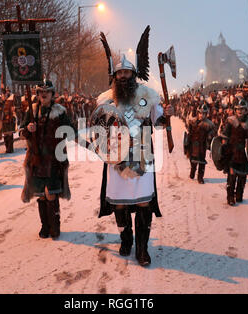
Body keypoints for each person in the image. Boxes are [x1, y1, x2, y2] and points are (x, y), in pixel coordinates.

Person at [97, 27, 174, 266]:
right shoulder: (105, 100)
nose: (123, 76)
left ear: (133, 74)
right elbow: (97, 130)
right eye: (119, 73)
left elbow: (158, 122)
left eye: (127, 73)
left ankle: (142, 248)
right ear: (114, 74)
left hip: (142, 155)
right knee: (119, 202)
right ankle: (126, 238)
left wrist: (166, 116)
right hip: (116, 157)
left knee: (143, 201)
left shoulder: (148, 96)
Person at [20, 80, 73, 239]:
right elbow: (22, 131)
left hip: (54, 157)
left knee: (51, 193)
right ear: (37, 94)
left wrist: (60, 132)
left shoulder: (61, 111)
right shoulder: (32, 110)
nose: (44, 94)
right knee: (41, 195)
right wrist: (28, 129)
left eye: (47, 92)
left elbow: (70, 131)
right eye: (41, 92)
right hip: (36, 158)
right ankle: (45, 226)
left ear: (52, 94)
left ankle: (55, 226)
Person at [220, 99, 248, 206]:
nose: (240, 111)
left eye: (242, 109)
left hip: (244, 153)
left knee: (242, 176)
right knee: (232, 176)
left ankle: (239, 194)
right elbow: (225, 136)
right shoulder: (230, 121)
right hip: (232, 151)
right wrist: (224, 148)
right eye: (238, 109)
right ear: (235, 110)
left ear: (246, 110)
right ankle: (230, 196)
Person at [185, 104, 215, 184]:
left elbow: (212, 134)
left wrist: (210, 136)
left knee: (202, 161)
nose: (201, 115)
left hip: (202, 145)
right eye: (200, 113)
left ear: (206, 114)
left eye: (203, 113)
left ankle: (200, 177)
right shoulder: (193, 122)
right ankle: (192, 172)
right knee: (193, 160)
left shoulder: (209, 124)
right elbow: (189, 132)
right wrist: (187, 143)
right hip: (193, 144)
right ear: (198, 113)